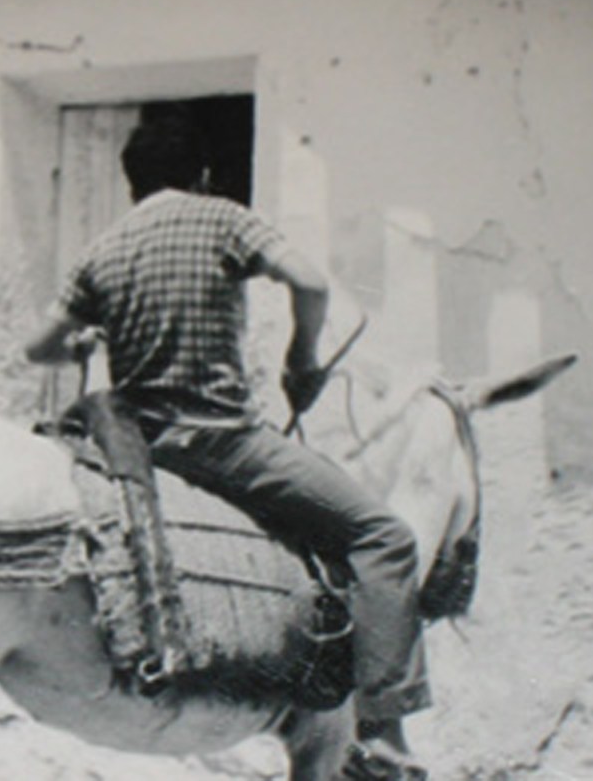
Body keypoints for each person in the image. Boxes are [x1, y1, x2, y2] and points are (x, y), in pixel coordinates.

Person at [25, 116, 430, 770]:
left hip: (141, 444)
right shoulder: (222, 217)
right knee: (383, 537)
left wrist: (82, 342)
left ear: (132, 182)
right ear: (204, 174)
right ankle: (381, 728)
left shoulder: (104, 247)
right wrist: (301, 359)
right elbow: (310, 281)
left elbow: (38, 347)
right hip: (220, 441)